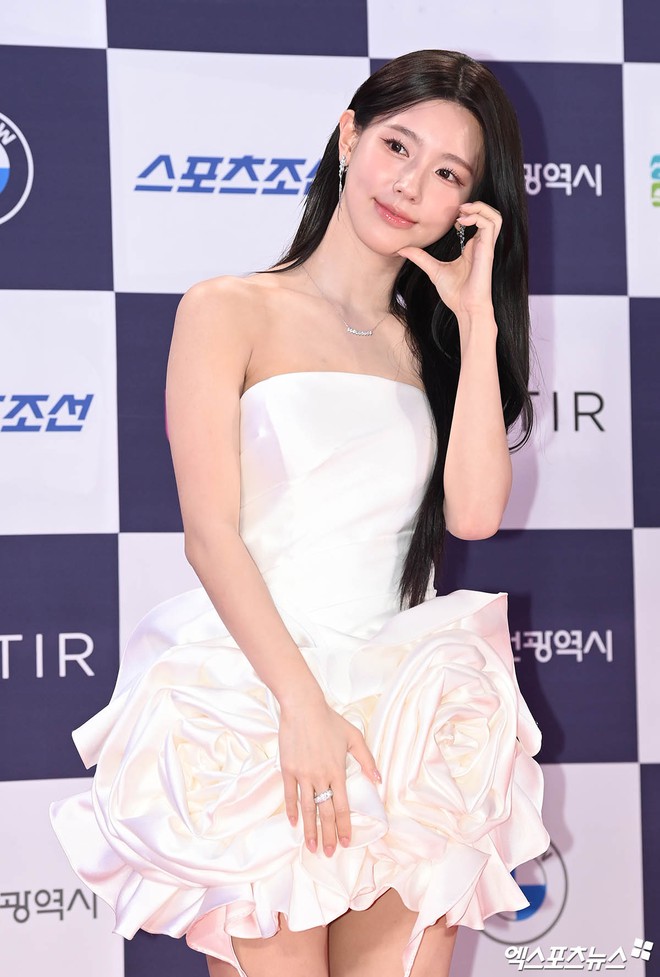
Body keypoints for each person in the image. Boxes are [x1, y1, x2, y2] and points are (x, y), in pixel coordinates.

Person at [51, 49, 550, 977]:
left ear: (468, 207)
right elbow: (211, 535)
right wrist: (302, 706)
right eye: (397, 146)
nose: (411, 185)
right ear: (349, 135)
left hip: (407, 714)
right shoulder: (227, 309)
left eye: (448, 173)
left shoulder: (433, 345)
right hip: (260, 705)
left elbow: (476, 514)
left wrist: (477, 322)